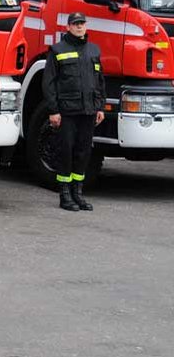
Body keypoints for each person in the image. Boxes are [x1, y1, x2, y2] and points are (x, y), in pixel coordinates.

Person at [42, 12, 106, 212]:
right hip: (67, 111)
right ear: (68, 27)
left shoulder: (93, 50)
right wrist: (53, 111)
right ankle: (64, 194)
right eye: (75, 24)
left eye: (82, 23)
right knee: (66, 151)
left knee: (83, 152)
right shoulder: (57, 49)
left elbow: (100, 82)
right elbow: (49, 82)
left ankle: (78, 193)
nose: (79, 27)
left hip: (88, 111)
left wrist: (100, 107)